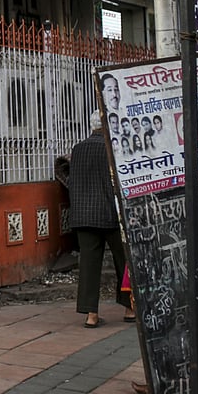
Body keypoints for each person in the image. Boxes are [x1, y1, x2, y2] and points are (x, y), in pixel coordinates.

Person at [69, 110, 132, 328]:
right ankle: (130, 308)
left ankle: (91, 315)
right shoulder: (113, 148)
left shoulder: (78, 149)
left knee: (88, 266)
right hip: (110, 214)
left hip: (84, 215)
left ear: (92, 125)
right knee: (124, 262)